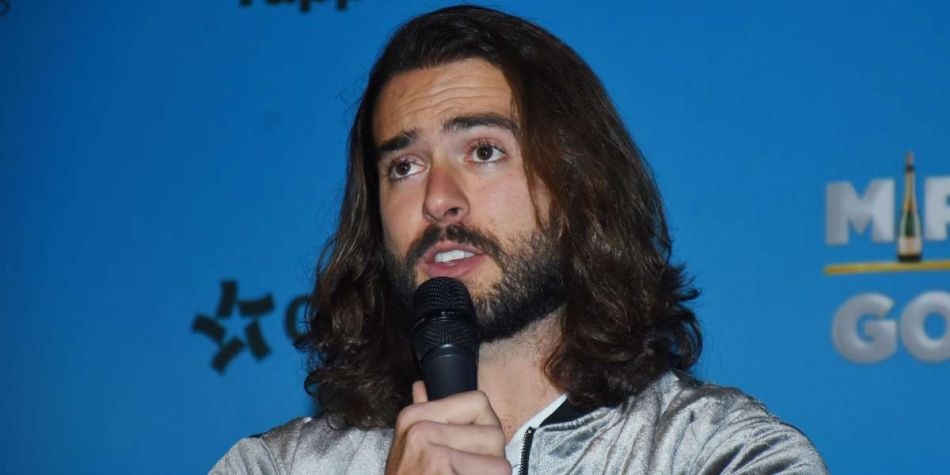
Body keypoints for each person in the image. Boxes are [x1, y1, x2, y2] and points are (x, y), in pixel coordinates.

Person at [213, 5, 826, 474]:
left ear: (578, 185)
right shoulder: (274, 466)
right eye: (405, 166)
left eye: (483, 151)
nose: (437, 199)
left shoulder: (721, 453)